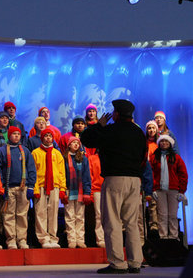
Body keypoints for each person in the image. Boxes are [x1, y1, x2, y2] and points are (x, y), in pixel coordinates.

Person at [81, 99, 146, 274]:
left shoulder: (110, 130)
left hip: (115, 178)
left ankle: (117, 262)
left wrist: (98, 125)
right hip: (134, 179)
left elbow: (86, 140)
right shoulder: (139, 132)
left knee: (112, 221)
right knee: (131, 222)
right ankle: (135, 262)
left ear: (116, 114)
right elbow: (143, 158)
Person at [0, 126, 36, 249]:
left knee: (22, 215)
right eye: (14, 134)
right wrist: (1, 186)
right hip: (9, 188)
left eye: (18, 134)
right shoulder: (2, 151)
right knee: (9, 215)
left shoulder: (25, 150)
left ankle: (22, 239)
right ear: (9, 136)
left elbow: (31, 169)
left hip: (23, 187)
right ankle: (11, 239)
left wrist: (31, 186)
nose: (16, 136)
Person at [32, 128, 66, 249]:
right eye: (45, 136)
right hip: (41, 185)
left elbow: (62, 172)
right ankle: (43, 238)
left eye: (50, 136)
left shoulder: (57, 153)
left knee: (53, 212)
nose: (48, 138)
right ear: (42, 138)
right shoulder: (35, 153)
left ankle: (53, 237)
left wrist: (62, 188)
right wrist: (35, 188)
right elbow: (33, 172)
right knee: (40, 212)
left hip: (54, 186)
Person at [150, 135, 188, 240]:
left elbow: (183, 174)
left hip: (173, 190)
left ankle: (173, 236)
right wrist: (152, 189)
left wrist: (182, 191)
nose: (164, 143)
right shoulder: (154, 157)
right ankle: (163, 236)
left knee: (172, 215)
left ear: (170, 143)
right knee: (162, 215)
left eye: (166, 141)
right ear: (159, 143)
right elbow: (150, 174)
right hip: (159, 190)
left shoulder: (176, 157)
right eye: (162, 141)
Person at [62, 137, 92, 249]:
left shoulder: (83, 159)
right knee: (70, 216)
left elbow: (86, 177)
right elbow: (63, 175)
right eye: (73, 142)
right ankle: (71, 240)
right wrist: (63, 190)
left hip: (80, 191)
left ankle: (80, 239)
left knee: (80, 216)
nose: (75, 144)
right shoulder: (64, 158)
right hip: (69, 190)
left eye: (77, 143)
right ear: (69, 145)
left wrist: (87, 192)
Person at [84, 104, 105, 248]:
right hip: (97, 189)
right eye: (89, 111)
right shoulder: (92, 159)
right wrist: (90, 192)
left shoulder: (107, 157)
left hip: (109, 189)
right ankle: (100, 239)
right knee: (98, 215)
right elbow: (90, 176)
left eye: (94, 111)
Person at [145, 120, 160, 234]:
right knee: (151, 203)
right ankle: (152, 225)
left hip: (157, 176)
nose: (151, 130)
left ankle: (158, 225)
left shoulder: (160, 144)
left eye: (153, 128)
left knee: (157, 203)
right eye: (149, 128)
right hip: (146, 175)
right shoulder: (144, 144)